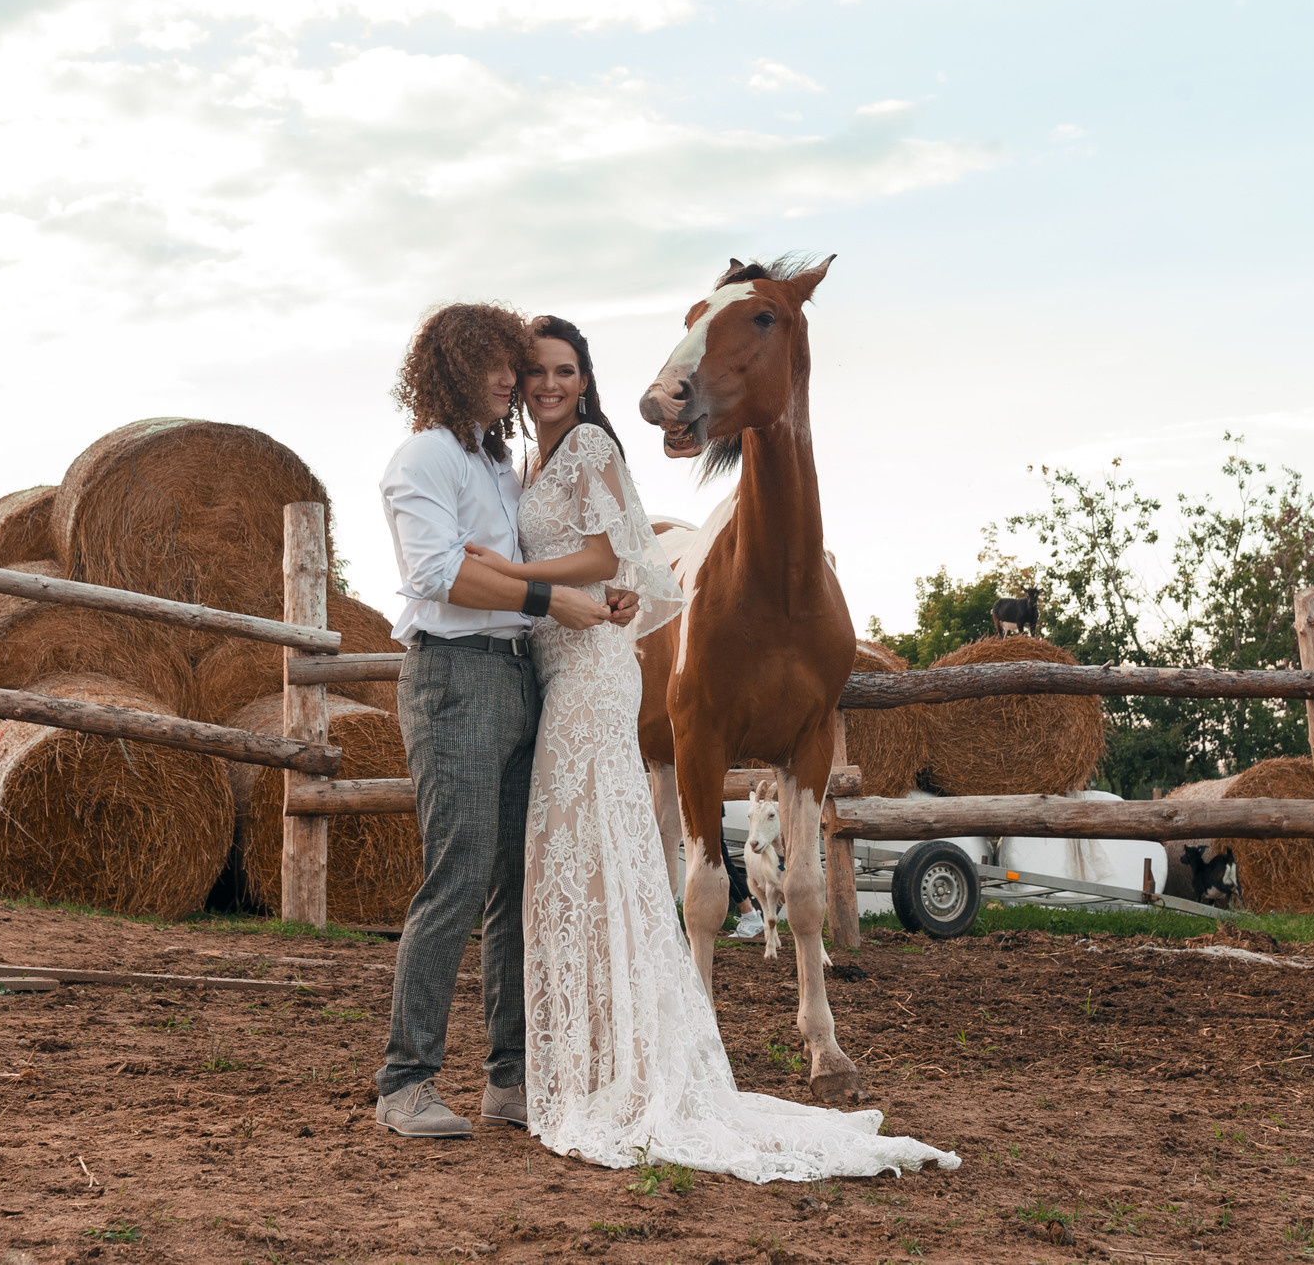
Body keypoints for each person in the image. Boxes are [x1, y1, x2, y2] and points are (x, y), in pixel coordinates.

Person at [457, 313, 960, 1182]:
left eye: (564, 370)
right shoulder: (526, 465)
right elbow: (612, 561)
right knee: (570, 867)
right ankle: (575, 1049)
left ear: (585, 379)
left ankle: (663, 1040)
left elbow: (616, 556)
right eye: (534, 370)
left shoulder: (587, 449)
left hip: (585, 671)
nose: (547, 384)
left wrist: (516, 581)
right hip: (559, 668)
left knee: (590, 860)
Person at [371, 302, 638, 1139]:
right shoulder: (424, 456)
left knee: (516, 883)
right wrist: (548, 594)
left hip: (522, 675)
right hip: (454, 676)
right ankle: (404, 1081)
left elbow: (562, 551)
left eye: (514, 363)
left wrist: (598, 590)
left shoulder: (498, 465)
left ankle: (508, 1079)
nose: (511, 377)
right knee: (458, 871)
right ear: (453, 365)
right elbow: (436, 574)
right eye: (495, 361)